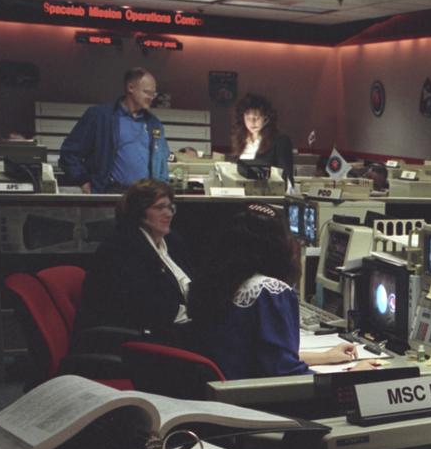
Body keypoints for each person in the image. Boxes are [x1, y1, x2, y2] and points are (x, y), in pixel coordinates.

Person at [188, 204, 360, 379]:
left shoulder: (222, 282)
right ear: (277, 246)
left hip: (223, 391)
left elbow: (263, 357)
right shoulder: (270, 291)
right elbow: (286, 373)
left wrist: (325, 357)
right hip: (254, 399)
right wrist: (352, 376)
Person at [75, 179, 193, 340]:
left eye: (171, 207)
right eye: (160, 207)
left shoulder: (172, 242)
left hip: (177, 325)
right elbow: (143, 307)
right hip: (139, 338)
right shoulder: (121, 249)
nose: (169, 213)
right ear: (140, 212)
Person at [59, 68, 169, 193]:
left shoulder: (154, 124)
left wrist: (161, 190)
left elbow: (162, 163)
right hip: (109, 193)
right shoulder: (100, 116)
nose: (151, 98)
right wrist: (82, 180)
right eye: (147, 92)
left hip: (145, 198)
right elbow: (69, 153)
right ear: (130, 88)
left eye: (153, 94)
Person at [231, 92, 294, 183]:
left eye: (256, 118)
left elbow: (286, 176)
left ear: (266, 118)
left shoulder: (281, 140)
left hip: (268, 192)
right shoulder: (241, 140)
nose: (252, 122)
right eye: (248, 118)